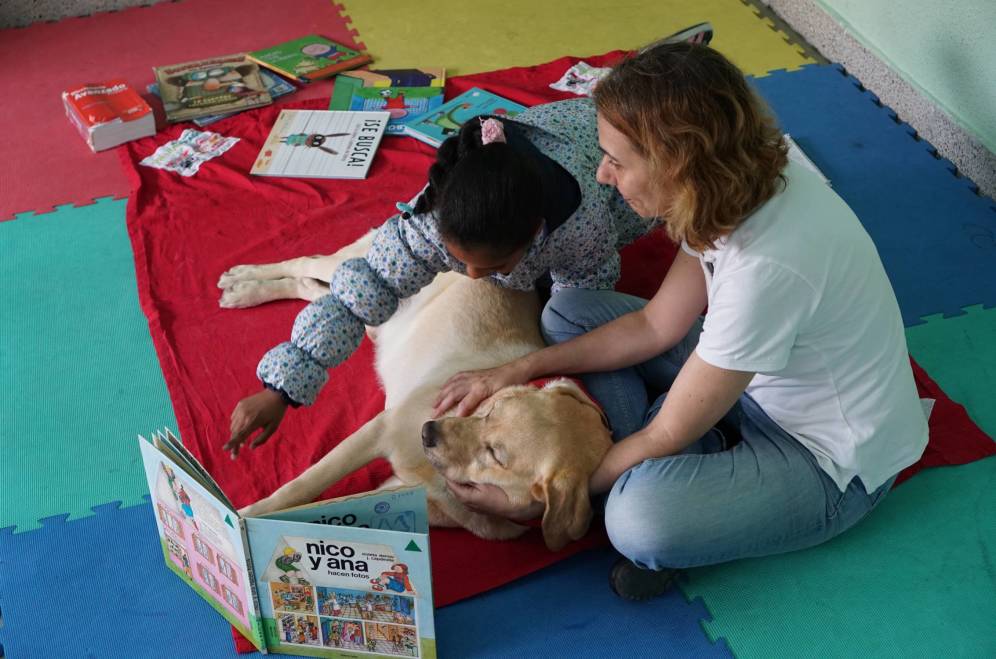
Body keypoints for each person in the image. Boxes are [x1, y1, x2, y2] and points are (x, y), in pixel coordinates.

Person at [433, 41, 929, 600]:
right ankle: (684, 454)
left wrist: (548, 497)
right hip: (751, 376)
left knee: (636, 519)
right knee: (569, 312)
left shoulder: (768, 267)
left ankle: (678, 470)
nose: (601, 175)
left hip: (825, 459)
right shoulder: (728, 185)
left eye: (618, 161)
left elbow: (668, 430)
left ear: (676, 161)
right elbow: (655, 327)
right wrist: (517, 369)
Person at [223, 24, 717, 455]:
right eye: (463, 262)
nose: (475, 278)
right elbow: (360, 292)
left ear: (534, 237)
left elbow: (588, 295)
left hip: (592, 162)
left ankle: (670, 81)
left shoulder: (584, 224)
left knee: (569, 314)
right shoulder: (431, 221)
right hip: (555, 146)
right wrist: (279, 389)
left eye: (496, 265)